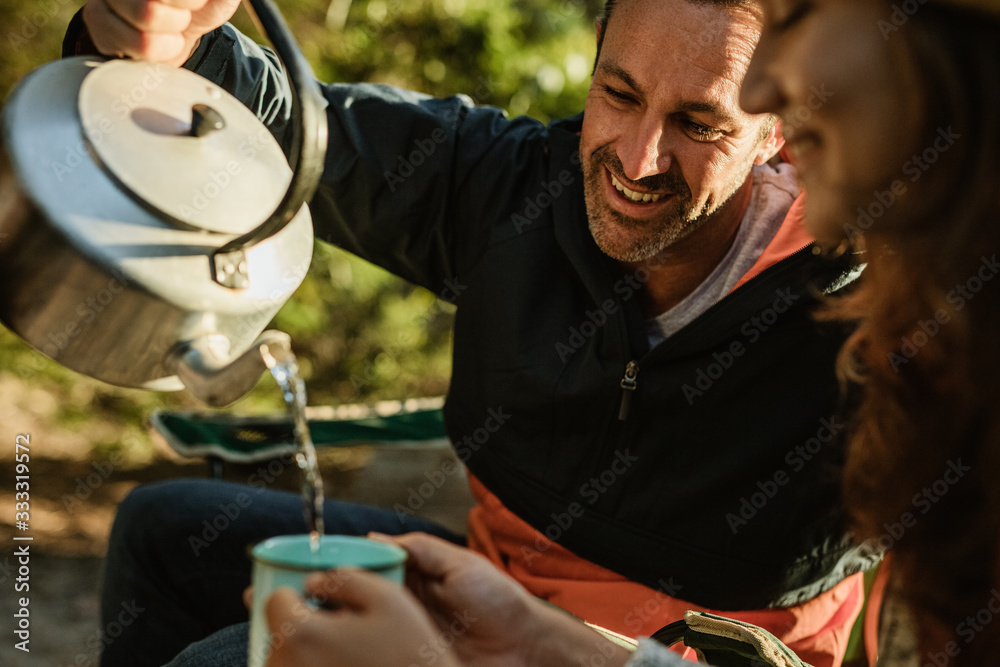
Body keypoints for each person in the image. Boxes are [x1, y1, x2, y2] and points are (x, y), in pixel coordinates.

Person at [67, 0, 876, 665]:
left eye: (698, 124)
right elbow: (302, 126)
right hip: (489, 583)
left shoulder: (876, 306)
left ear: (780, 132)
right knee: (162, 530)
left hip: (692, 656)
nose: (639, 158)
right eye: (619, 95)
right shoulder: (513, 192)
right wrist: (158, 43)